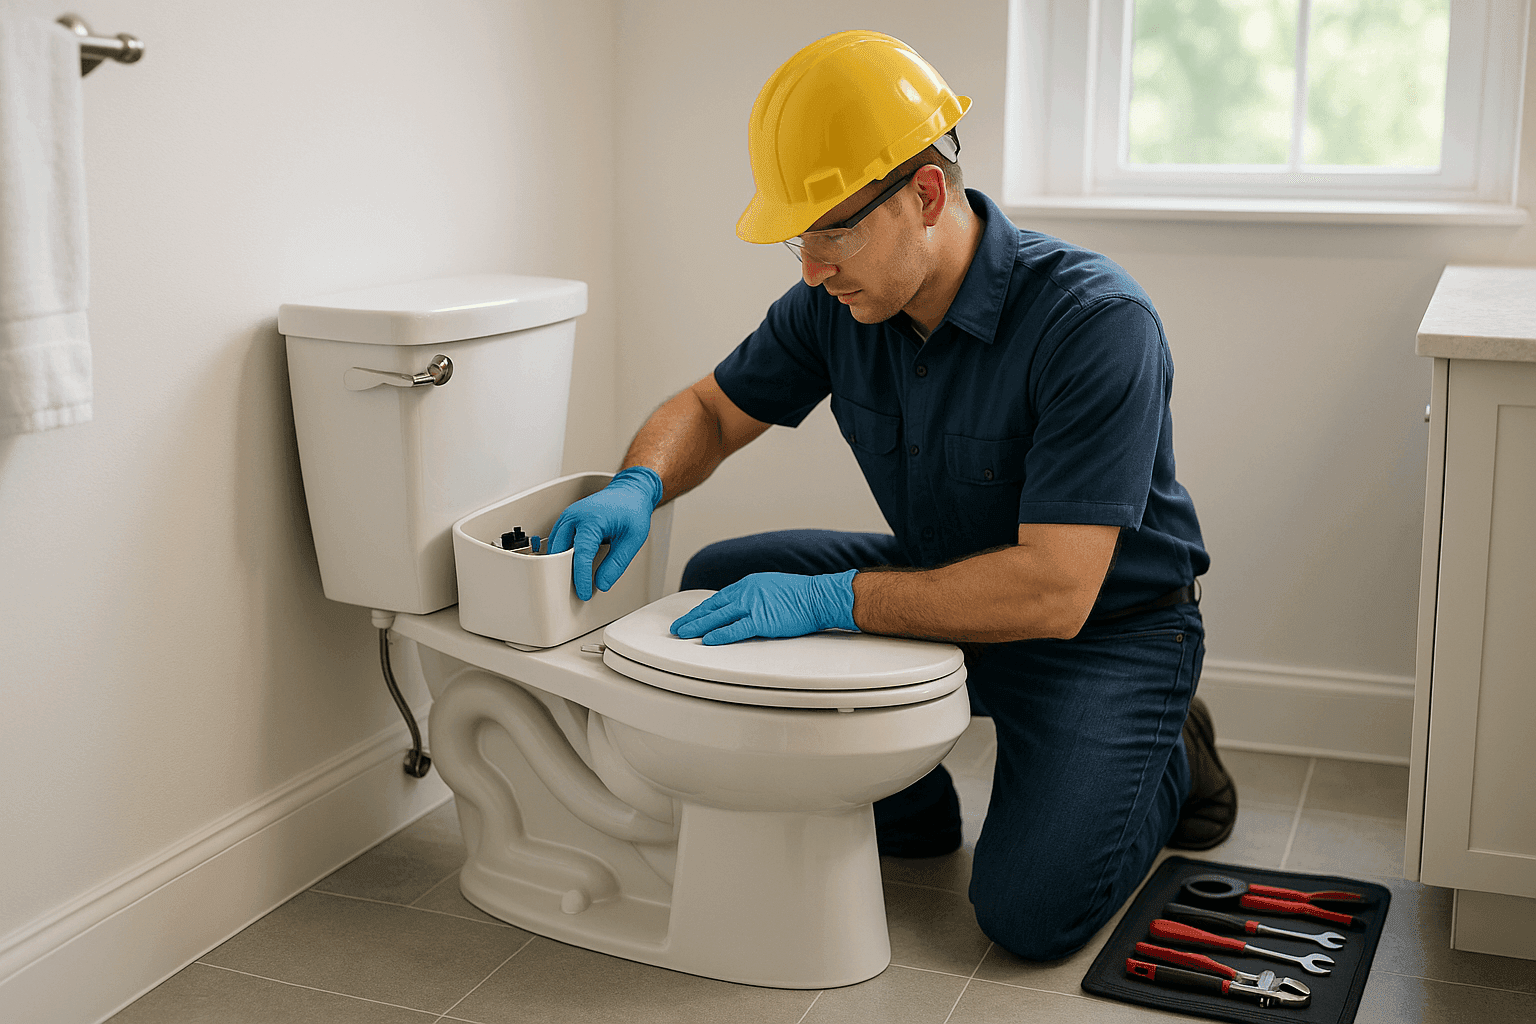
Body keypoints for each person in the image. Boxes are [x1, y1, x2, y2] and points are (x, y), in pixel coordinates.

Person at [547, 29, 1235, 961]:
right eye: (801, 235)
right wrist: (638, 481)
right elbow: (711, 409)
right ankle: (907, 808)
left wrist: (833, 603)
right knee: (723, 579)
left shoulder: (1094, 325)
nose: (811, 268)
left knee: (1028, 915)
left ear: (925, 195)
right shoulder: (843, 303)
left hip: (1103, 634)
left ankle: (1170, 752)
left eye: (835, 229)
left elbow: (1054, 591)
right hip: (946, 585)